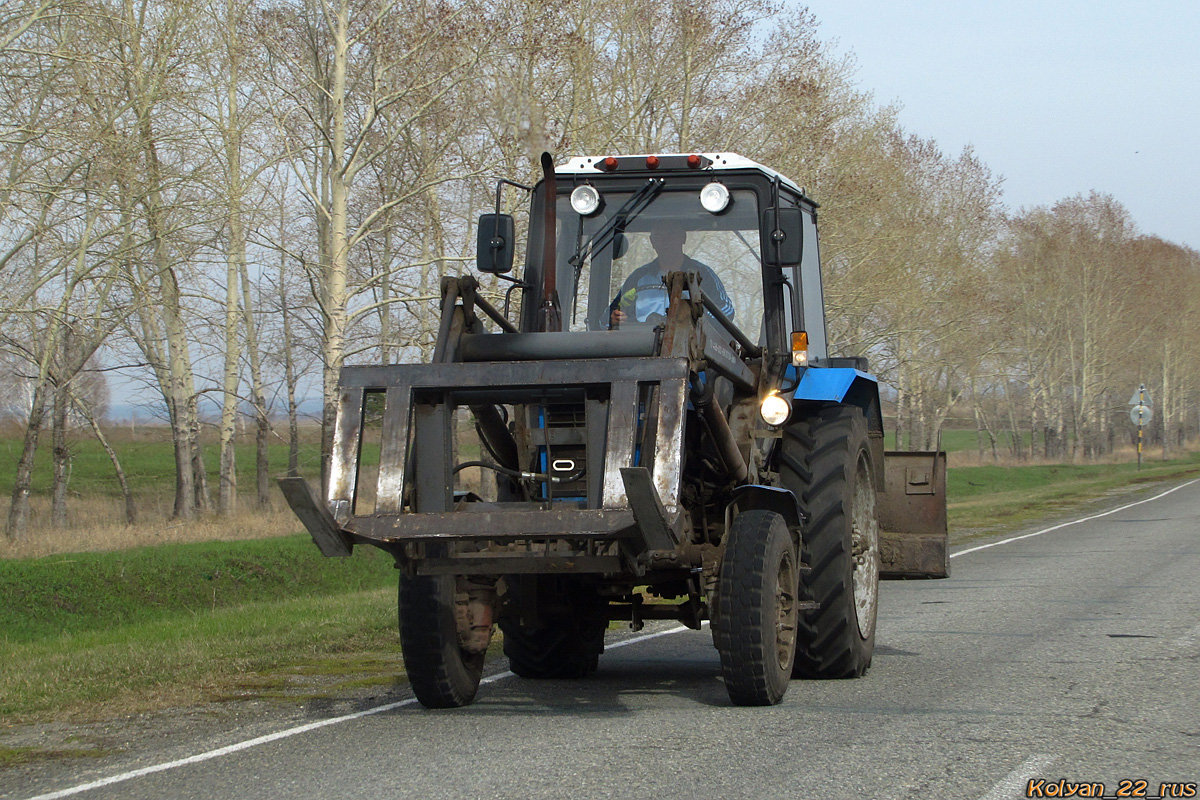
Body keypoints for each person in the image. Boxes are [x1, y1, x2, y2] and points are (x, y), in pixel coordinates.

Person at [608, 221, 734, 328]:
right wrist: (614, 320)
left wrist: (698, 322)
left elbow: (726, 311)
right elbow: (605, 319)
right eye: (659, 237)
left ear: (683, 238)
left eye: (671, 235)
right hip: (642, 349)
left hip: (692, 351)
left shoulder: (703, 275)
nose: (665, 242)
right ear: (652, 242)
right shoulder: (637, 278)